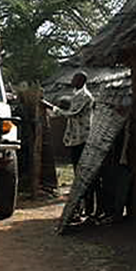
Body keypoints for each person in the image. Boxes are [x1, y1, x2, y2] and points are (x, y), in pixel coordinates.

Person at [52, 71, 99, 217]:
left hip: (82, 139)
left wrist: (55, 110)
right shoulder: (77, 94)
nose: (72, 80)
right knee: (79, 174)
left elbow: (73, 113)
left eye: (75, 78)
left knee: (83, 175)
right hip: (76, 139)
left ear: (82, 81)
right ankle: (83, 207)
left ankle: (89, 208)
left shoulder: (85, 96)